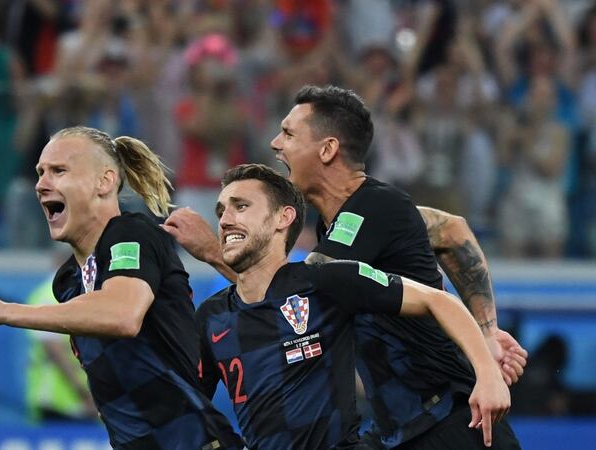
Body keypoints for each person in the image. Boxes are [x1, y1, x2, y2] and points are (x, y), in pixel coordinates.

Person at [163, 85, 527, 449]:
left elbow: (292, 294)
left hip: (454, 422)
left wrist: (215, 251)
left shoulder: (373, 207)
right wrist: (488, 330)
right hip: (399, 430)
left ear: (327, 149)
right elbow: (451, 230)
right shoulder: (341, 223)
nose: (276, 143)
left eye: (289, 133)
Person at [0, 126, 245, 449]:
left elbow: (123, 315)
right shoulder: (68, 282)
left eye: (58, 171)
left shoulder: (130, 234)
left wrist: (3, 310)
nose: (41, 184)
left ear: (104, 182)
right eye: (40, 173)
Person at [197, 163, 515, 449]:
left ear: (284, 217)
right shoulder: (212, 316)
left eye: (240, 206)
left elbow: (438, 301)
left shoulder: (326, 280)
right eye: (221, 211)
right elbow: (182, 405)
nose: (224, 220)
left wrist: (487, 375)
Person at [25, 272, 98, 422]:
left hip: (88, 399)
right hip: (58, 399)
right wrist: (84, 393)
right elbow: (54, 350)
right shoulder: (49, 294)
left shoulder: (87, 290)